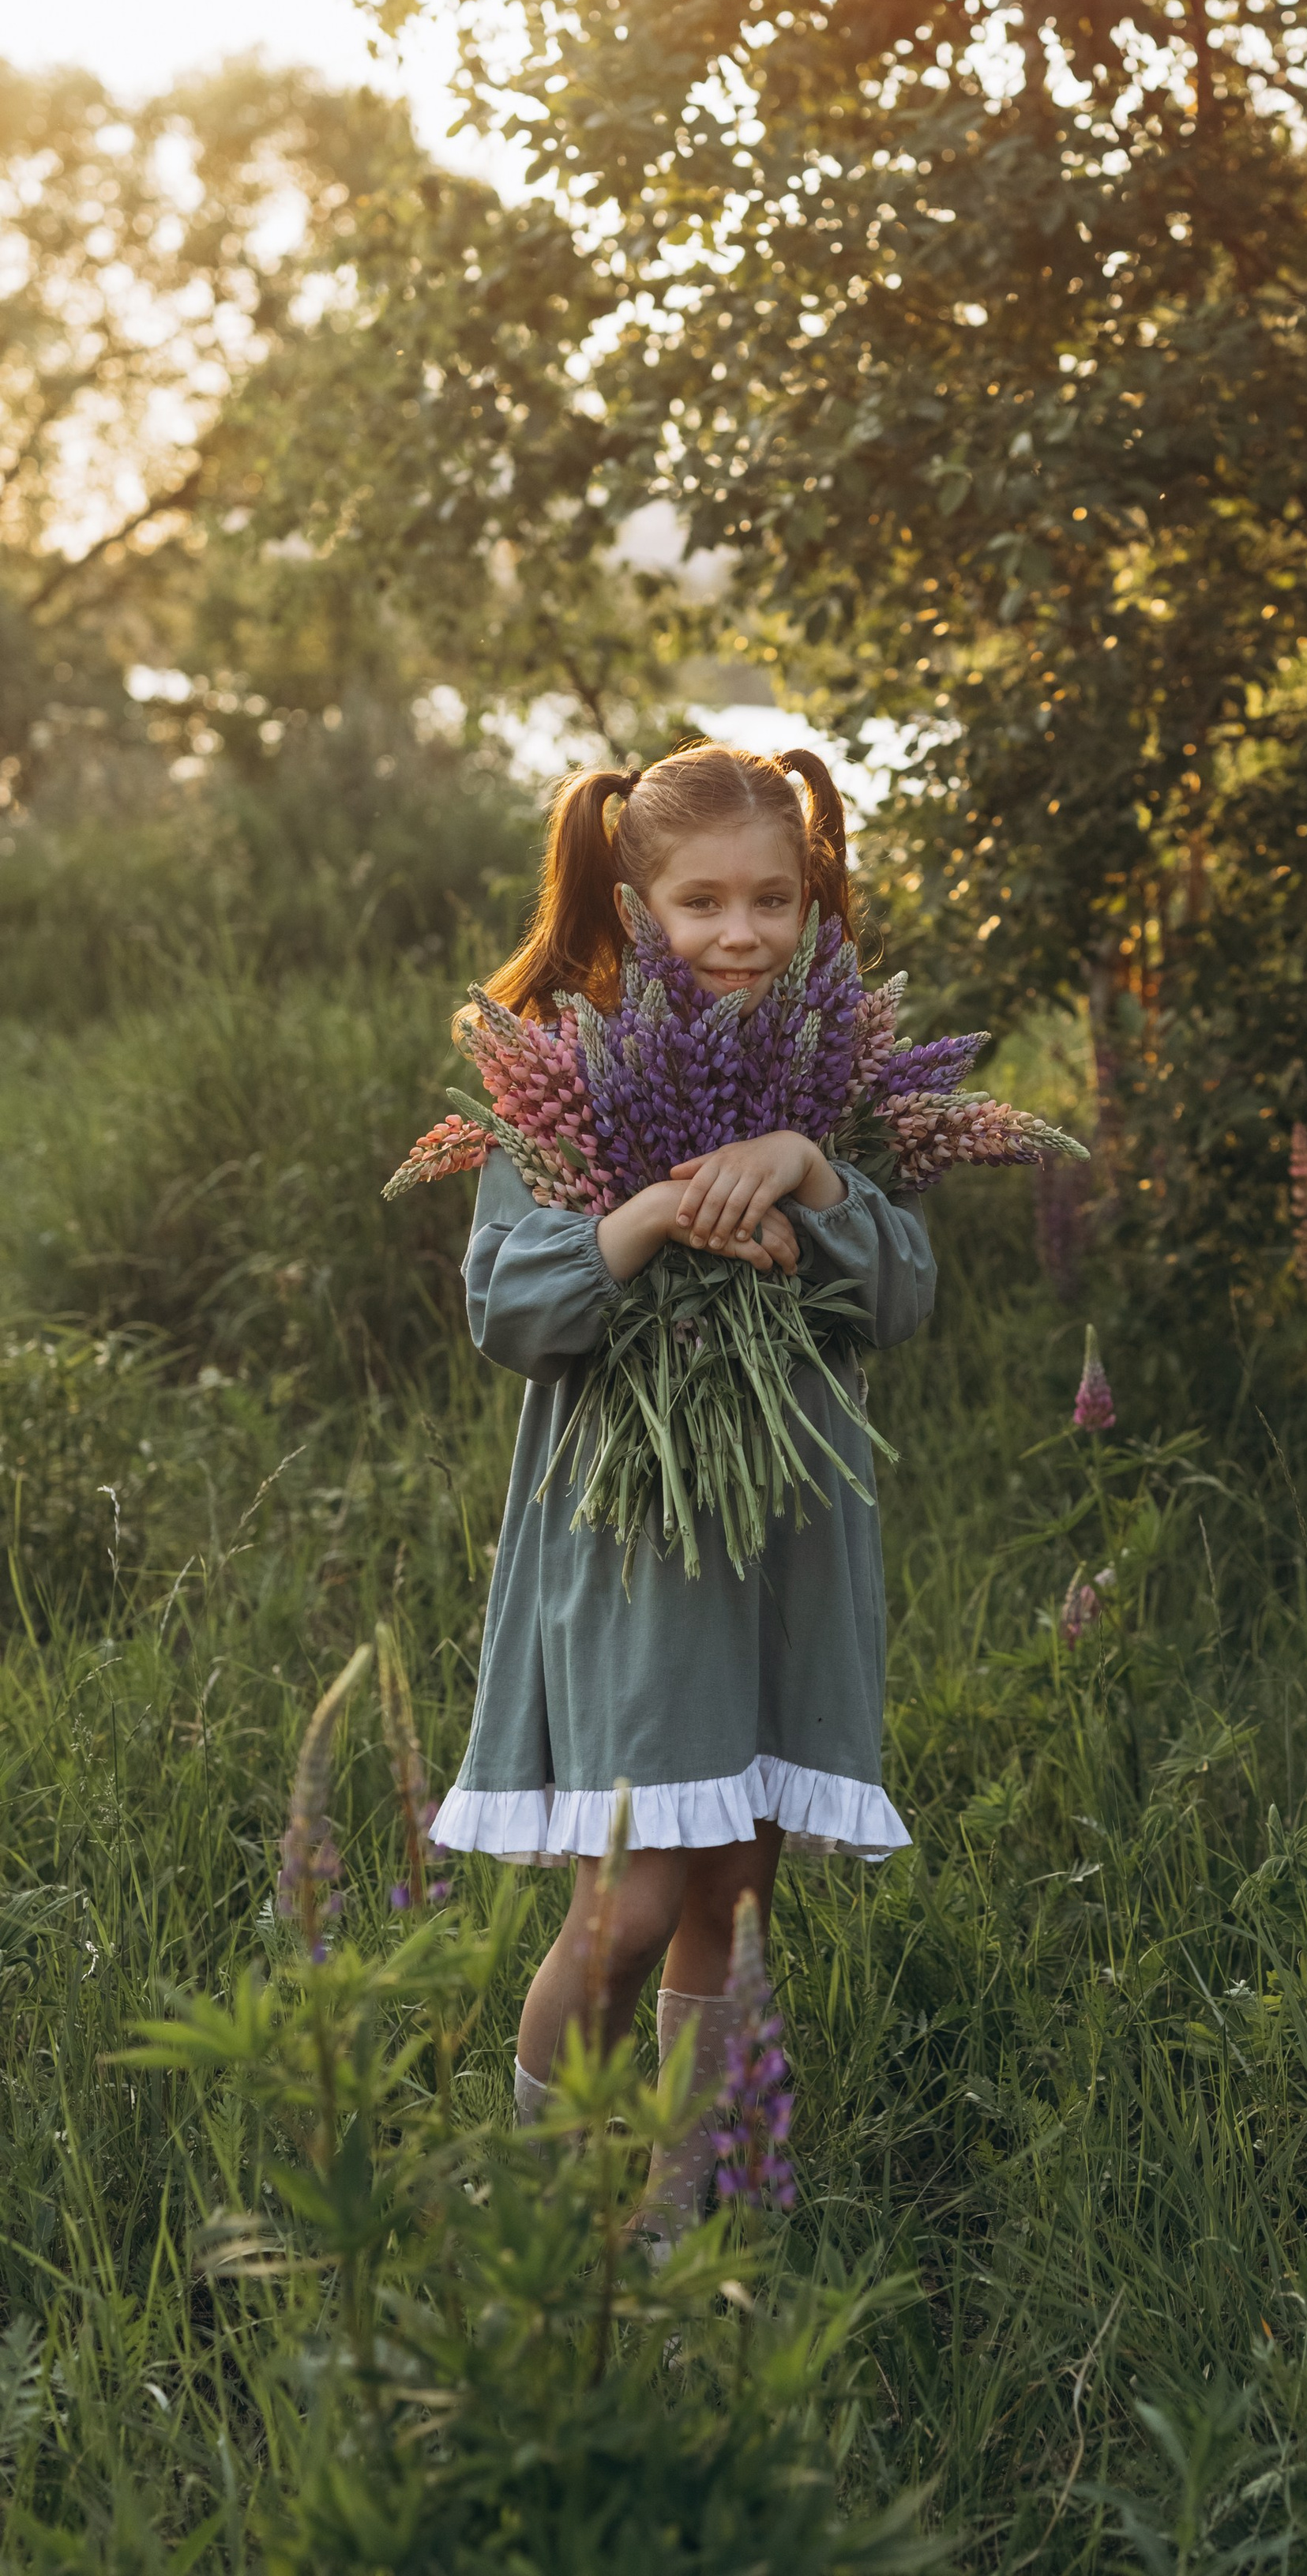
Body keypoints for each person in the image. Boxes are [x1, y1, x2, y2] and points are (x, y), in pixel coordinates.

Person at [429, 743, 934, 2229]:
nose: (741, 933)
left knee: (736, 1894)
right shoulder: (569, 1072)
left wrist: (802, 1165)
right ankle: (545, 2209)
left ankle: (684, 2210)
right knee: (634, 1898)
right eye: (701, 901)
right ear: (634, 907)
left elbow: (901, 1296)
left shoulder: (828, 1080)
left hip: (785, 1536)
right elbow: (509, 1308)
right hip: (635, 1542)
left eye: (773, 899)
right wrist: (653, 1211)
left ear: (811, 900)